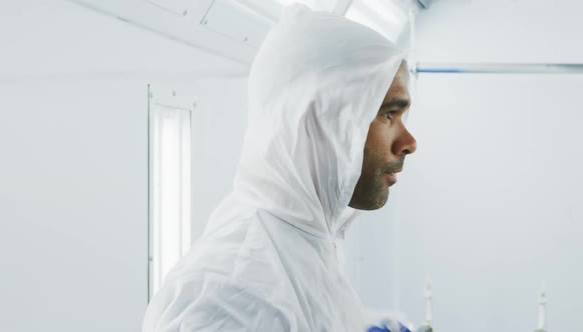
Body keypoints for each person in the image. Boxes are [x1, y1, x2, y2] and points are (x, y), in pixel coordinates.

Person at [143, 3, 416, 331]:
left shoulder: (304, 243)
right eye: (388, 114)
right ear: (321, 120)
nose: (409, 142)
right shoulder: (230, 296)